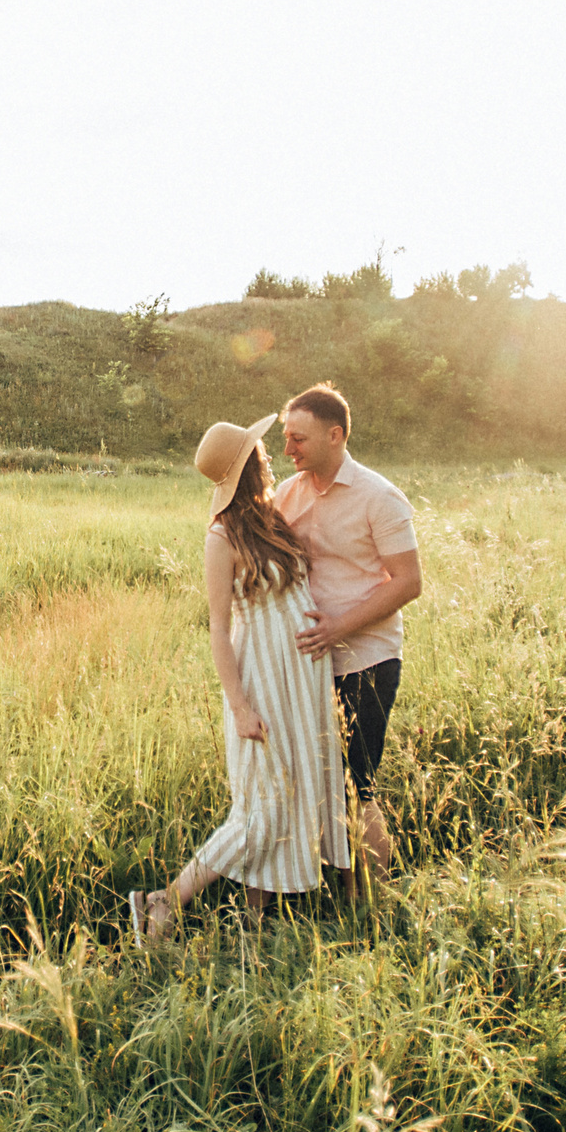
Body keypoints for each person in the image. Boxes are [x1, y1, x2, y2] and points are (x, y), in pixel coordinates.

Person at [131, 414, 351, 945]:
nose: (270, 454)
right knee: (262, 808)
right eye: (259, 451)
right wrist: (239, 705)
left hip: (302, 682)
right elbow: (218, 627)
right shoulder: (220, 536)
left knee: (296, 793)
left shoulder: (269, 518)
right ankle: (162, 901)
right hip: (264, 681)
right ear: (247, 466)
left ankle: (257, 927)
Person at [273, 383, 420, 895]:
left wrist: (339, 627)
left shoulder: (380, 497)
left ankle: (372, 901)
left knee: (360, 785)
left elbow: (408, 581)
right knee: (317, 782)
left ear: (335, 436)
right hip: (309, 663)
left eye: (298, 438)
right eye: (286, 438)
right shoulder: (287, 494)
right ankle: (329, 888)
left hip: (368, 659)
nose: (288, 449)